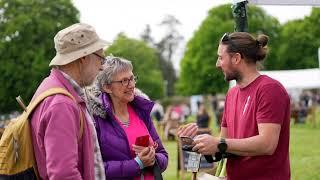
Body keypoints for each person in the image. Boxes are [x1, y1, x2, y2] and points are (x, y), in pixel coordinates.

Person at [178, 32, 291, 180]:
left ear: (236, 58)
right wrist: (195, 143)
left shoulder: (269, 89)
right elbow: (224, 148)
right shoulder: (231, 94)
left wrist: (219, 143)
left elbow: (267, 144)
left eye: (220, 57)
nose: (217, 64)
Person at [30, 23, 109, 180]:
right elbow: (63, 175)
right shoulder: (62, 104)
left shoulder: (51, 88)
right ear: (83, 58)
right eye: (101, 58)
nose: (102, 67)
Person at [86, 56, 168, 179]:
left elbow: (163, 156)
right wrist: (137, 164)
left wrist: (153, 158)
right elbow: (94, 169)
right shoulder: (96, 119)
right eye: (124, 81)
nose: (131, 85)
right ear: (107, 87)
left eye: (132, 78)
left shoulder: (141, 111)